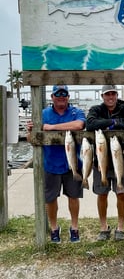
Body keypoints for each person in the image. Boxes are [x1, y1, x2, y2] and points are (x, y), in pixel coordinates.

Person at [26, 85, 86, 243]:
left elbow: (79, 125)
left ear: (68, 96)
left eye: (64, 94)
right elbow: (31, 140)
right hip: (50, 164)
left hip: (72, 164)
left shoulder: (76, 112)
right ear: (52, 96)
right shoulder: (43, 113)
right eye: (58, 94)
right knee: (50, 199)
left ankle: (74, 227)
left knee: (74, 197)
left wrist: (51, 128)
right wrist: (31, 131)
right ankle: (54, 228)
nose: (61, 96)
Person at [86, 85, 124, 241]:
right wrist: (115, 121)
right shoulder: (96, 109)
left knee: (121, 193)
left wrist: (113, 124)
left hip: (120, 159)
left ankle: (121, 226)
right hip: (100, 160)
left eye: (113, 94)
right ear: (102, 96)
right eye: (107, 94)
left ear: (117, 95)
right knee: (102, 194)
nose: (110, 97)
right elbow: (90, 124)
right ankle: (104, 227)